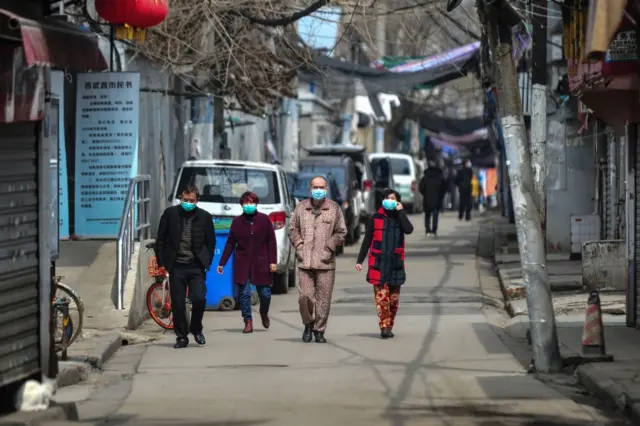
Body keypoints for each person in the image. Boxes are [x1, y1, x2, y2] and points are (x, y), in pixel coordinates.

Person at [288, 176, 347, 343]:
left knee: (323, 299)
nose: (318, 190)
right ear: (310, 189)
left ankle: (319, 330)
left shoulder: (334, 208)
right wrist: (299, 246)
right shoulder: (301, 208)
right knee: (304, 296)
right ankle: (308, 323)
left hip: (325, 262)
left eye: (321, 187)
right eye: (315, 187)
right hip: (305, 261)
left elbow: (341, 232)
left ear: (326, 189)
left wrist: (329, 248)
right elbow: (292, 229)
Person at [156, 185, 215, 349]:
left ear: (197, 201)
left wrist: (206, 260)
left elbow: (211, 242)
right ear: (180, 198)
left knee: (199, 298)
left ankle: (196, 329)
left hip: (196, 266)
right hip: (176, 266)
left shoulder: (204, 217)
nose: (188, 203)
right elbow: (161, 240)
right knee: (178, 303)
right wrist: (162, 263)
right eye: (185, 200)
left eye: (192, 200)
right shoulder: (170, 214)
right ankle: (181, 336)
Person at [355, 189, 413, 339]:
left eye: (393, 198)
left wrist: (401, 212)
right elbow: (367, 240)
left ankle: (389, 325)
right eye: (387, 198)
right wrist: (360, 261)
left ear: (398, 201)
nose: (390, 200)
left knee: (393, 301)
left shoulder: (400, 218)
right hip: (378, 265)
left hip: (396, 265)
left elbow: (409, 229)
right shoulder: (375, 219)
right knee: (382, 300)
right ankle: (384, 327)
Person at [217, 191, 277, 334]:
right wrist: (222, 263)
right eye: (246, 203)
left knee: (265, 293)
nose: (249, 206)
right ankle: (248, 321)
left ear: (256, 204)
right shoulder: (237, 222)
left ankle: (263, 313)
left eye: (251, 203)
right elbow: (230, 243)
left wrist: (273, 261)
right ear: (241, 205)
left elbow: (271, 241)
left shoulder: (264, 220)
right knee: (244, 294)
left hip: (261, 262)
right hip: (243, 262)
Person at [419, 161, 445, 237]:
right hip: (437, 199)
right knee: (435, 215)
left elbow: (421, 188)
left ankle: (427, 230)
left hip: (427, 199)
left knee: (427, 215)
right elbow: (444, 188)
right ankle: (434, 230)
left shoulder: (425, 177)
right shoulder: (440, 177)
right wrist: (440, 196)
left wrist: (425, 194)